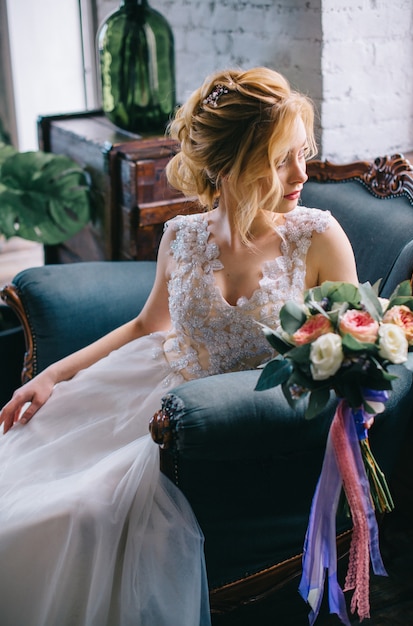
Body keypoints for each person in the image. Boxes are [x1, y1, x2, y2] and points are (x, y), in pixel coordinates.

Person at [0, 67, 357, 626]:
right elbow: (146, 325)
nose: (301, 173)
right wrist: (51, 376)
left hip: (226, 419)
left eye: (303, 153)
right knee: (24, 496)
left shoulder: (317, 236)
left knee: (83, 511)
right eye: (280, 158)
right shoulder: (182, 236)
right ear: (229, 163)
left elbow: (347, 349)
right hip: (148, 391)